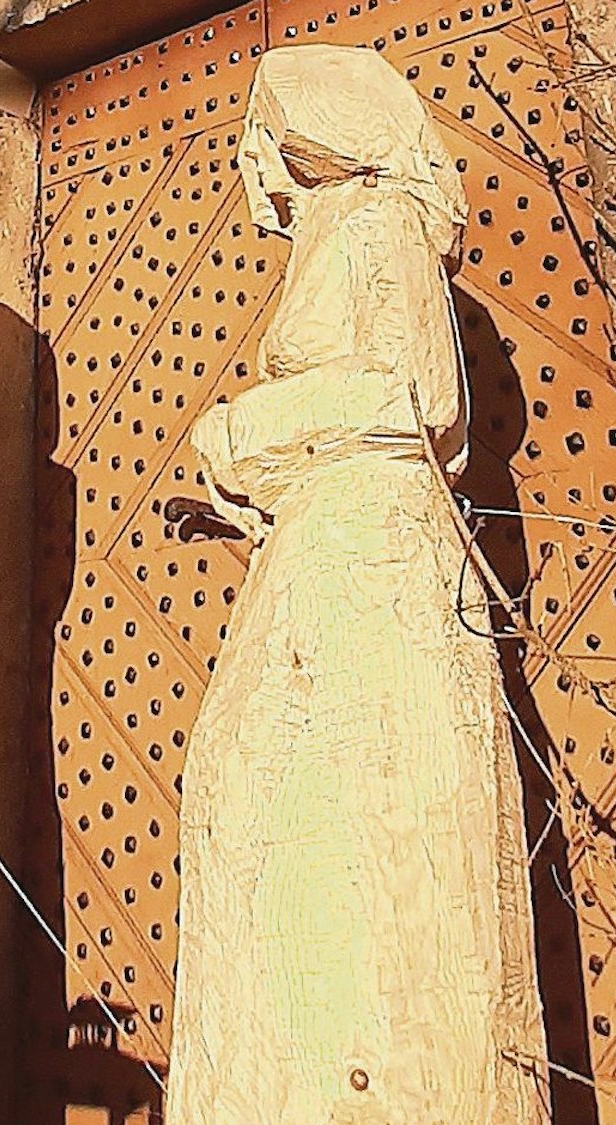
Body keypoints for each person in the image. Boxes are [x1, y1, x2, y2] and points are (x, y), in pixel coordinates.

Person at [166, 46, 548, 1124]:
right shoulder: (333, 233)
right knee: (249, 791)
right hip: (318, 548)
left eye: (268, 133)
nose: (257, 163)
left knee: (358, 826)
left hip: (376, 553)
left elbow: (412, 398)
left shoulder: (379, 224)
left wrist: (242, 429)